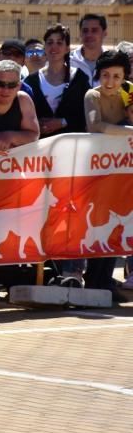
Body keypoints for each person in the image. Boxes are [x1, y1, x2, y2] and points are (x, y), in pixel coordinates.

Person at [84, 49, 132, 297]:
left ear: (125, 77)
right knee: (100, 226)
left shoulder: (130, 92)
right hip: (99, 172)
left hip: (124, 173)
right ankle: (94, 280)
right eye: (105, 75)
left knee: (119, 224)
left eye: (116, 76)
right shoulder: (92, 95)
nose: (110, 82)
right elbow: (96, 126)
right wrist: (129, 131)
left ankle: (108, 281)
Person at [26, 24, 90, 138]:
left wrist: (62, 122)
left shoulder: (80, 79)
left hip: (72, 148)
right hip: (39, 152)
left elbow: (88, 115)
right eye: (50, 42)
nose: (54, 47)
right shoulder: (31, 81)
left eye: (59, 43)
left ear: (67, 49)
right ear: (45, 47)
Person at [71, 13, 108, 83]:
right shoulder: (69, 61)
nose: (89, 35)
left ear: (105, 33)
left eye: (94, 30)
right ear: (80, 33)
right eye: (85, 30)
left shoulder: (113, 62)